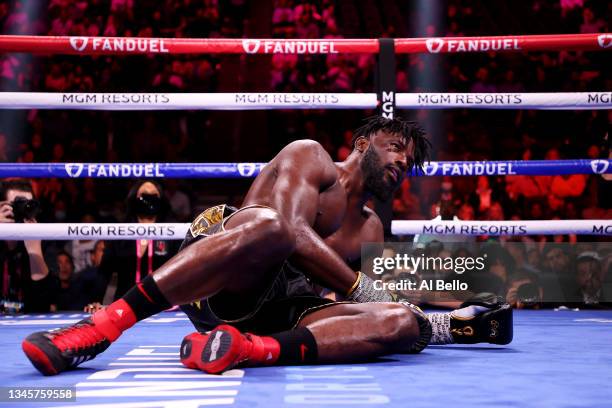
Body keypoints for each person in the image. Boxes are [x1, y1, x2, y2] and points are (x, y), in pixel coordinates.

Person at [22, 116, 512, 376]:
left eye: (412, 162)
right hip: (227, 273)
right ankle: (101, 328)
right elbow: (292, 234)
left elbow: (359, 299)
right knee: (275, 228)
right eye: (397, 148)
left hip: (279, 311)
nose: (404, 163)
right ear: (364, 142)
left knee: (403, 323)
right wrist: (361, 287)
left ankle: (247, 351)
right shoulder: (310, 158)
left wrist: (456, 310)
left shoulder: (369, 230)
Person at [0, 179, 54, 313]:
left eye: (27, 205)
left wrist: (34, 251)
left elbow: (44, 305)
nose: (22, 210)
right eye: (17, 205)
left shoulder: (43, 241)